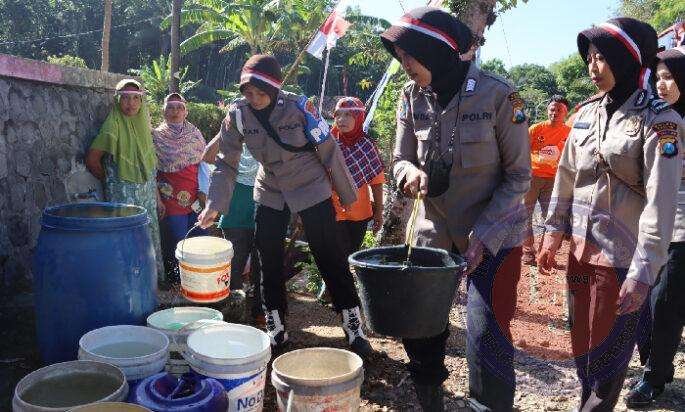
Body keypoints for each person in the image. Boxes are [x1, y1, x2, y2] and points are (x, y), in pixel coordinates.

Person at [380, 7, 531, 410]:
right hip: (432, 230)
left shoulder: (501, 95)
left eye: (411, 55)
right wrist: (408, 171)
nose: (405, 64)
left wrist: (484, 234)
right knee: (420, 323)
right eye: (400, 56)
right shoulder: (409, 97)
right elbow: (399, 159)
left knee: (487, 331)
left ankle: (489, 405)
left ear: (435, 50)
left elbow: (519, 176)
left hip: (494, 233)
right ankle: (430, 393)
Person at [537, 18, 684, 411]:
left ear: (625, 58)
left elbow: (661, 204)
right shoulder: (585, 115)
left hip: (622, 259)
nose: (592, 66)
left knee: (606, 358)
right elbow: (566, 175)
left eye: (601, 57)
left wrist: (643, 271)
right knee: (582, 348)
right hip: (581, 252)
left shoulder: (662, 121)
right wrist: (552, 231)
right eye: (589, 58)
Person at [197, 54, 373, 356]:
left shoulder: (299, 108)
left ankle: (352, 325)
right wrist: (214, 204)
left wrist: (348, 198)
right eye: (248, 92)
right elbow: (226, 163)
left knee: (329, 253)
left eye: (260, 93)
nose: (254, 99)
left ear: (274, 89)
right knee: (267, 256)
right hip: (270, 187)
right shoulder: (238, 114)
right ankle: (276, 327)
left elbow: (328, 149)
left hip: (310, 184)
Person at [625, 45, 685, 408]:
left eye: (670, 77)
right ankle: (658, 367)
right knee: (647, 301)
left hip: (681, 228)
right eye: (658, 78)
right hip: (651, 224)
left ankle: (653, 376)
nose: (662, 85)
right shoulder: (652, 118)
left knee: (664, 303)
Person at [86, 79, 163, 277]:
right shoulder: (113, 125)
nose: (131, 103)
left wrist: (157, 198)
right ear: (118, 100)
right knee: (126, 238)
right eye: (126, 98)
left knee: (146, 235)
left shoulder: (144, 127)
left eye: (136, 98)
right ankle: (128, 282)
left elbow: (150, 169)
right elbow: (92, 159)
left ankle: (150, 280)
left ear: (141, 101)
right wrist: (112, 181)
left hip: (146, 197)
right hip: (123, 199)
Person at [203, 137, 263, 325]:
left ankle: (260, 311)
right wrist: (226, 129)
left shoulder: (267, 136)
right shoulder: (233, 142)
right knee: (234, 265)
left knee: (262, 265)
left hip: (265, 205)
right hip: (236, 210)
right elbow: (208, 156)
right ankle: (235, 313)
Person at [152, 93, 207, 280]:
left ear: (186, 112)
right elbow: (151, 171)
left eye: (179, 107)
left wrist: (204, 192)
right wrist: (157, 200)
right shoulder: (156, 137)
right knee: (177, 240)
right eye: (170, 107)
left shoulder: (195, 135)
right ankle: (176, 280)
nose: (175, 111)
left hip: (196, 198)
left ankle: (198, 279)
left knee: (200, 237)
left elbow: (204, 164)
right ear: (164, 111)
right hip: (171, 199)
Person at [331, 97, 385, 257]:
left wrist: (379, 213)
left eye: (348, 115)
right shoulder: (328, 143)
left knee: (351, 256)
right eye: (338, 114)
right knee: (337, 256)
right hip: (332, 210)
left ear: (359, 117)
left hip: (359, 213)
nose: (341, 119)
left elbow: (377, 182)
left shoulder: (367, 145)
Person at [522, 95, 571, 265]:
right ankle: (528, 251)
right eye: (552, 109)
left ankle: (545, 253)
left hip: (554, 180)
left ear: (565, 113)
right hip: (532, 178)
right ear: (547, 110)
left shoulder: (569, 133)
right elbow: (522, 151)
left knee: (551, 217)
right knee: (525, 215)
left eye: (559, 110)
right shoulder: (535, 129)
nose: (555, 113)